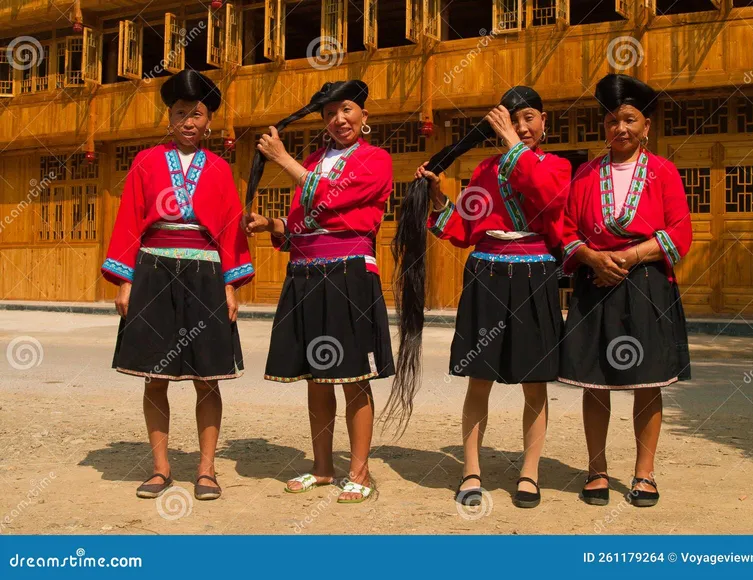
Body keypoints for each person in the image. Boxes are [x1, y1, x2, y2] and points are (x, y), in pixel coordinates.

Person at [406, 87, 571, 508]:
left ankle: (529, 472)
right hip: (487, 275)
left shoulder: (558, 166)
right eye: (514, 120)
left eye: (530, 117)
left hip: (536, 276)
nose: (522, 127)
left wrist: (514, 147)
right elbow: (463, 230)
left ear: (545, 122)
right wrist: (438, 195)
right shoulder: (486, 171)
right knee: (480, 380)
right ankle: (471, 469)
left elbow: (548, 197)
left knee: (535, 384)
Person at [102, 69, 254, 501]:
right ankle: (161, 467)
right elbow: (130, 217)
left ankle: (206, 470)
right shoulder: (146, 161)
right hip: (153, 268)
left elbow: (229, 229)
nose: (189, 121)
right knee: (155, 376)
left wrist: (230, 285)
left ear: (209, 122)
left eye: (198, 114)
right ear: (169, 117)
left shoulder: (222, 169)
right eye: (181, 112)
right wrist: (125, 280)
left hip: (205, 273)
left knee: (209, 377)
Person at [242, 80, 394, 504]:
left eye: (347, 110)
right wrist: (271, 225)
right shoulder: (313, 160)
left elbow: (332, 200)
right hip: (305, 273)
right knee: (316, 375)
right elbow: (302, 225)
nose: (339, 119)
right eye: (329, 114)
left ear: (365, 117)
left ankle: (359, 472)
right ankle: (323, 467)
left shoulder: (375, 160)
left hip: (348, 274)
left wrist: (282, 158)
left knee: (353, 377)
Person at [559, 73, 692, 508]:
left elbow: (679, 232)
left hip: (646, 285)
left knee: (646, 382)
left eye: (631, 119)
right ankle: (597, 470)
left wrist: (628, 258)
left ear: (646, 126)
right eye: (613, 120)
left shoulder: (663, 172)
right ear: (604, 127)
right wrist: (594, 259)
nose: (622, 128)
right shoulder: (585, 173)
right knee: (594, 382)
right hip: (595, 284)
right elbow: (567, 230)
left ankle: (644, 474)